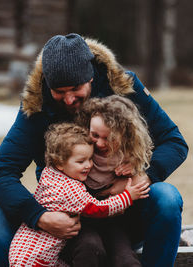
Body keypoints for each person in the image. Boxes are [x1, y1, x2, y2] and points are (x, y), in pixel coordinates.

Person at [0, 33, 188, 267]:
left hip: (123, 214)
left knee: (167, 197)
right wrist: (39, 216)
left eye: (75, 88)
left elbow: (174, 141)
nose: (69, 99)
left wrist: (142, 177)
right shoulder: (37, 105)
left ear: (90, 77)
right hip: (67, 223)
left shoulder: (122, 87)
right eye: (59, 91)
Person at [9, 123, 150, 266]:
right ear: (60, 163)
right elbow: (98, 208)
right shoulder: (69, 189)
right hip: (35, 258)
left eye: (90, 159)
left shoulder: (51, 174)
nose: (88, 165)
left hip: (27, 252)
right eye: (81, 161)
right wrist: (128, 196)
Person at [60, 95, 153, 267]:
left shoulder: (129, 153)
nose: (100, 143)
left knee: (125, 259)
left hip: (115, 221)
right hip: (83, 220)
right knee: (90, 247)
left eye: (109, 138)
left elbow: (144, 167)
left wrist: (134, 172)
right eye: (95, 135)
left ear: (124, 134)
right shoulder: (79, 149)